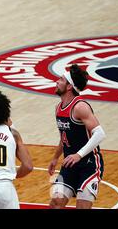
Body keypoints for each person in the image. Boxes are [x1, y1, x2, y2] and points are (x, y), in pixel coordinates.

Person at [48, 64, 106, 209]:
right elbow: (64, 137)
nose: (57, 81)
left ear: (69, 86)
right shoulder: (58, 108)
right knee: (55, 203)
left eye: (61, 79)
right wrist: (55, 158)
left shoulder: (80, 107)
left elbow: (99, 134)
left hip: (89, 165)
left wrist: (78, 155)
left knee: (82, 206)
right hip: (69, 165)